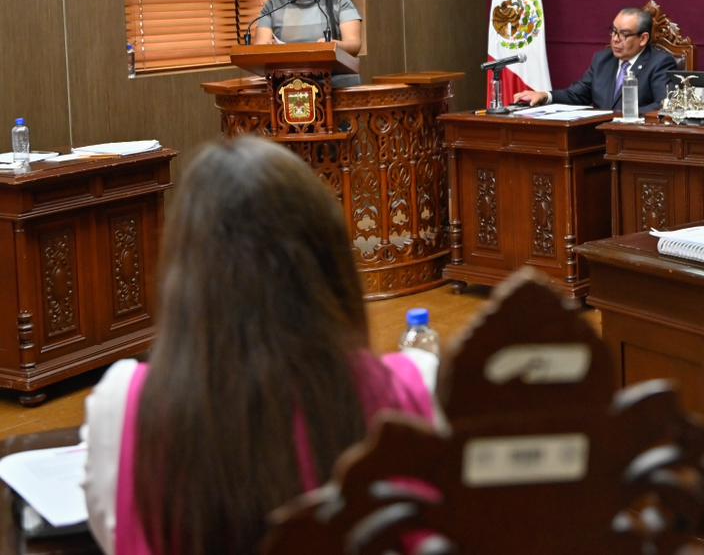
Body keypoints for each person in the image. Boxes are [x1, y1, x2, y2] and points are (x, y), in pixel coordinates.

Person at [81, 137, 439, 555]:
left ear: (184, 274)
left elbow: (115, 534)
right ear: (330, 262)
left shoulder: (122, 406)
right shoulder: (415, 389)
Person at [512, 7, 675, 112]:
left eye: (624, 34)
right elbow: (578, 95)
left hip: (636, 139)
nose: (615, 39)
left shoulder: (660, 63)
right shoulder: (603, 60)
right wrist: (545, 96)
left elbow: (664, 105)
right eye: (613, 31)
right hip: (597, 138)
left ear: (643, 39)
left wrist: (624, 116)